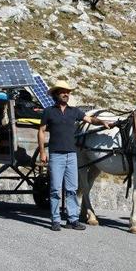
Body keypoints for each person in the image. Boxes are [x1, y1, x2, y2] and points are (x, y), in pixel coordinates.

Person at [37, 80, 111, 231]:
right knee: (55, 189)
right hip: (56, 155)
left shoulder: (74, 111)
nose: (66, 94)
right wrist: (43, 152)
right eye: (63, 91)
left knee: (72, 188)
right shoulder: (48, 111)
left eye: (68, 92)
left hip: (72, 155)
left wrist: (102, 122)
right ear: (56, 94)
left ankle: (72, 220)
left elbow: (89, 119)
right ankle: (55, 220)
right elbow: (41, 131)